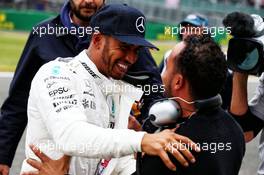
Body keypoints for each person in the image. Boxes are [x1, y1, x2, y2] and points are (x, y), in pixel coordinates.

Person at [20, 4, 200, 175]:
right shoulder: (56, 73)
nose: (131, 58)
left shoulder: (117, 88)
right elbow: (71, 135)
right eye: (124, 47)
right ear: (97, 39)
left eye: (136, 50)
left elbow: (116, 162)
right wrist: (142, 141)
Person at [137, 35, 245, 175]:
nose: (161, 76)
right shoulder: (235, 130)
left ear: (178, 82)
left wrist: (138, 145)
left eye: (166, 66)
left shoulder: (169, 151)